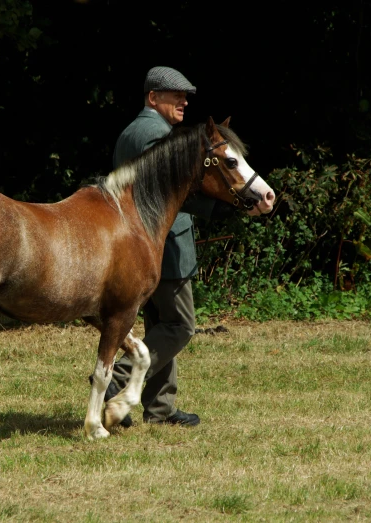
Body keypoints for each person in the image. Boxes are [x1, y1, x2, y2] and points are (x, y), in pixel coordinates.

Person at [101, 66, 234, 427]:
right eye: (176, 95)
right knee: (179, 324)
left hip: (144, 239)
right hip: (163, 242)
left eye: (186, 96)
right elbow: (162, 188)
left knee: (159, 322)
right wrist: (215, 207)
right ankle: (117, 379)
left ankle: (159, 409)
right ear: (153, 97)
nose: (184, 101)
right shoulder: (155, 133)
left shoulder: (135, 130)